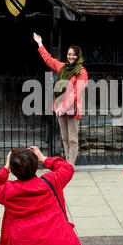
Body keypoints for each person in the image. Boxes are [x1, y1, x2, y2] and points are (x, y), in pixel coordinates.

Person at [33, 32, 88, 166]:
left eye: (74, 54)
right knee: (65, 138)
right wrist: (40, 44)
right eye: (69, 54)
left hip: (71, 109)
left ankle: (70, 164)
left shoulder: (82, 72)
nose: (71, 56)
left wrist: (64, 107)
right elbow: (49, 60)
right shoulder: (62, 67)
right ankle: (68, 162)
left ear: (78, 56)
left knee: (73, 138)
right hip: (59, 108)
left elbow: (76, 92)